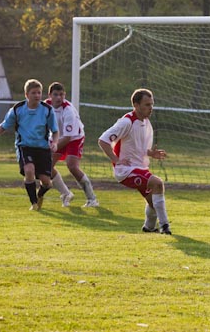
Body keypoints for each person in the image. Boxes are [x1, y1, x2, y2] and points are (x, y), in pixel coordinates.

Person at [97, 88, 172, 235]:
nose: (151, 108)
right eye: (147, 104)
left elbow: (139, 148)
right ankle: (165, 226)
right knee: (158, 183)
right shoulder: (126, 122)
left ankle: (149, 227)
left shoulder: (146, 123)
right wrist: (116, 160)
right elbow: (103, 140)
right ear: (136, 105)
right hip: (126, 170)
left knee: (153, 202)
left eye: (152, 104)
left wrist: (151, 153)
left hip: (140, 168)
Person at [0, 79, 58, 211]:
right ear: (26, 94)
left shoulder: (47, 110)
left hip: (43, 148)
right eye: (33, 93)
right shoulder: (18, 109)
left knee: (47, 182)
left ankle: (39, 195)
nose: (37, 95)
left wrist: (54, 142)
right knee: (29, 170)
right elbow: (4, 125)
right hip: (25, 146)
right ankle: (34, 203)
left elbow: (55, 130)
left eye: (39, 93)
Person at [45, 82, 99, 208]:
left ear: (64, 95)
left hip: (74, 137)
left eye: (61, 94)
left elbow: (67, 138)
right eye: (55, 94)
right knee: (47, 166)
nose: (59, 97)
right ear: (49, 95)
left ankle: (92, 199)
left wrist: (51, 148)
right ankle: (66, 193)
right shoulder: (44, 106)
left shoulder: (68, 110)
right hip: (57, 137)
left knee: (72, 166)